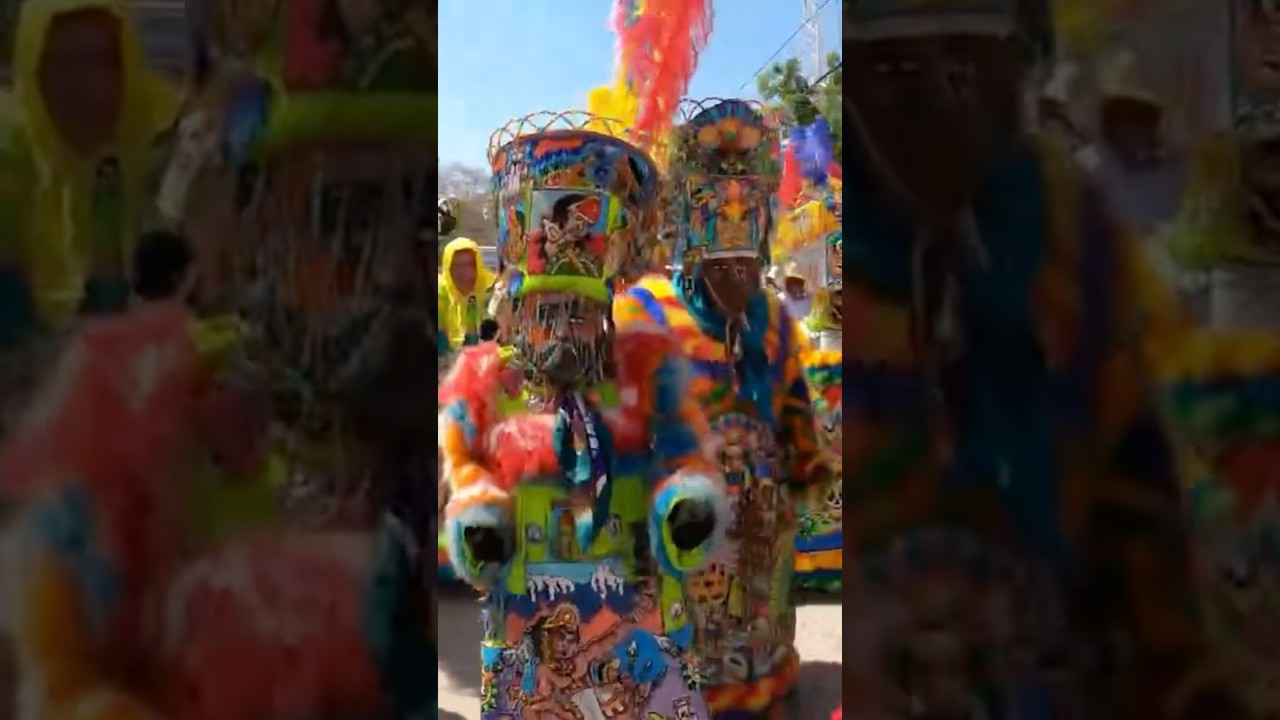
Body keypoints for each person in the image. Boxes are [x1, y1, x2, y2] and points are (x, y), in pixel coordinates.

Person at [841, 1, 1203, 716]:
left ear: (1025, 66)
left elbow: (1142, 511)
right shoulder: (818, 276)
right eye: (893, 69)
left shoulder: (1073, 229)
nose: (944, 99)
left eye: (972, 64)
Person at [440, 113, 722, 718]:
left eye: (578, 313)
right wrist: (478, 514)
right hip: (526, 609)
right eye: (548, 311)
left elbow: (684, 452)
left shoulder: (646, 368)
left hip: (630, 601)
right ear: (520, 305)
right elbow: (465, 466)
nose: (563, 328)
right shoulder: (486, 379)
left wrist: (686, 504)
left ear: (606, 311)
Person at [614, 98, 834, 718]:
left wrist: (805, 466)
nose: (742, 277)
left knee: (757, 616)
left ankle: (761, 680)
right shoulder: (646, 313)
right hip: (685, 525)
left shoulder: (770, 319)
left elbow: (794, 403)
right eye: (726, 266)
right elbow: (627, 429)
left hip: (761, 522)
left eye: (749, 264)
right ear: (691, 245)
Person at [0, 0, 177, 343]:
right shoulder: (11, 154)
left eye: (103, 61)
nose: (86, 84)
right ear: (33, 73)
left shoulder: (139, 150)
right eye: (64, 66)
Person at [438, 235, 495, 351]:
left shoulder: (490, 293)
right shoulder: (441, 294)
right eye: (457, 266)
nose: (463, 272)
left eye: (469, 265)